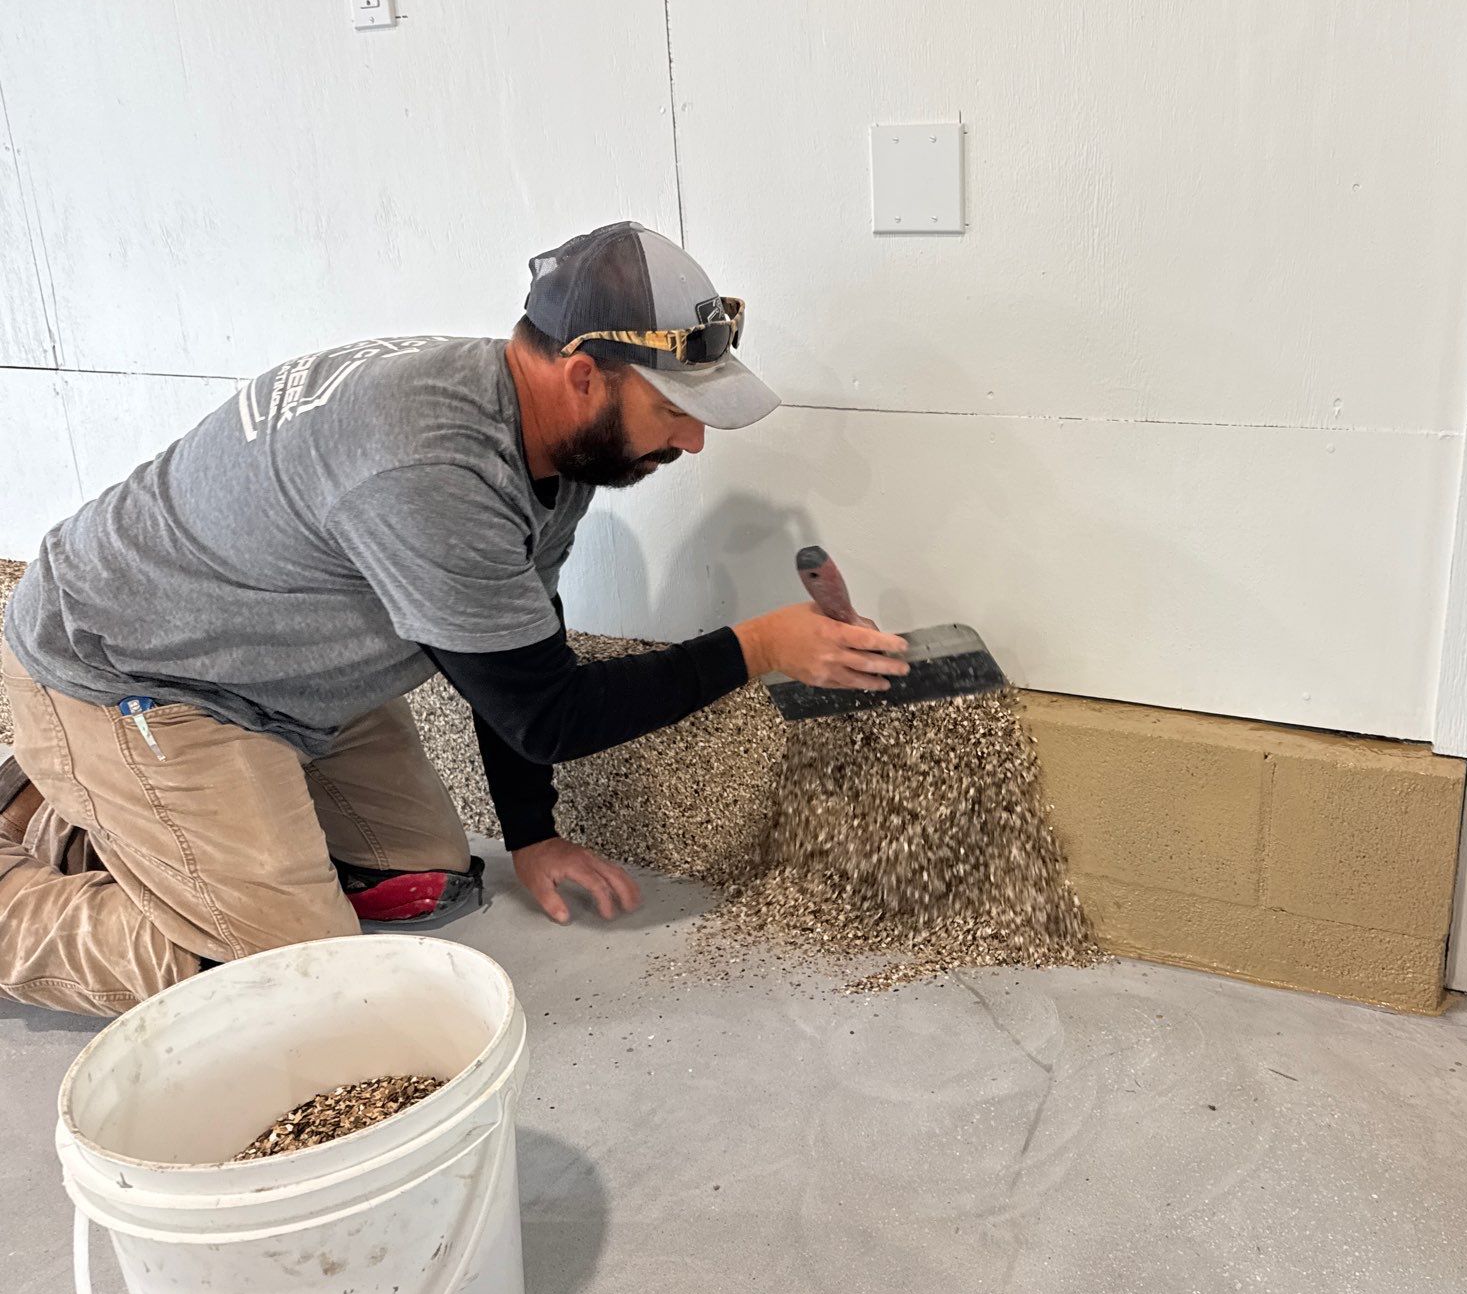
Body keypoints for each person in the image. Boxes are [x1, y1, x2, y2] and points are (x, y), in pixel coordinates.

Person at [0, 222, 907, 1016]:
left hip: (277, 677)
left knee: (418, 887)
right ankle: (55, 845)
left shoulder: (544, 437)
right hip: (132, 675)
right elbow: (549, 712)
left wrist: (531, 834)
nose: (694, 441)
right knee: (285, 982)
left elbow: (518, 646)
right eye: (675, 411)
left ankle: (69, 813)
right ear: (585, 375)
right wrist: (760, 647)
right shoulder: (427, 465)